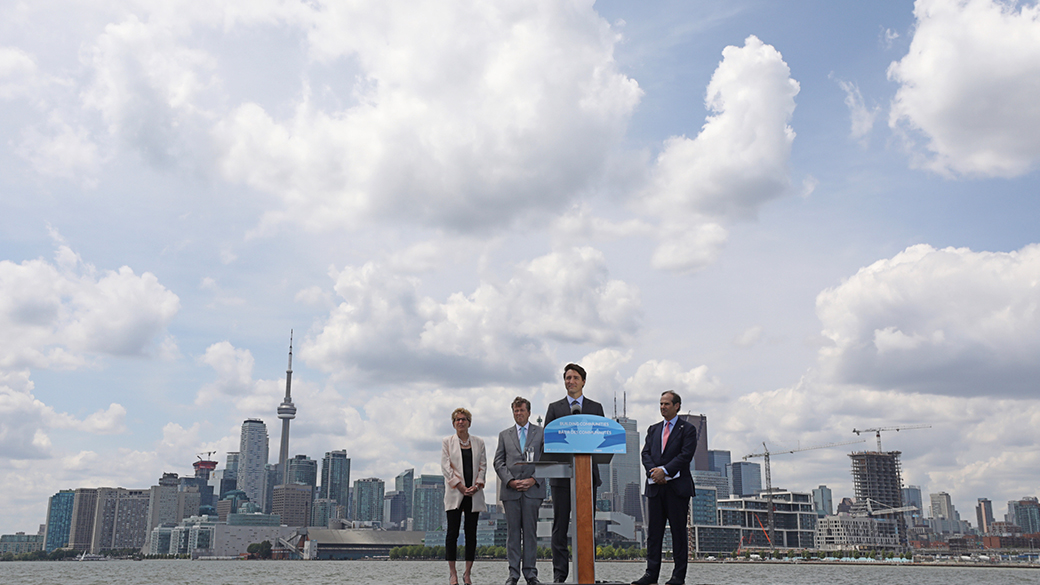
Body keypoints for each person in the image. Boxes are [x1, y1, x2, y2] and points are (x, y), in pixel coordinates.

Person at [543, 363, 604, 583]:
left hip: (587, 478)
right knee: (560, 527)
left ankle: (587, 573)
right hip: (561, 478)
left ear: (583, 381)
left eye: (575, 377)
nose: (571, 381)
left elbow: (602, 440)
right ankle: (560, 575)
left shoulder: (596, 408)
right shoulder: (555, 408)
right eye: (567, 378)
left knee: (588, 526)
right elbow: (547, 441)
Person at [632, 391, 697, 585]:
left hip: (677, 488)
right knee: (654, 534)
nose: (663, 407)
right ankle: (651, 574)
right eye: (661, 404)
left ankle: (678, 576)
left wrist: (665, 471)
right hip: (655, 488)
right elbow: (645, 454)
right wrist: (655, 473)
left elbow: (685, 456)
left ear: (677, 406)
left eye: (667, 404)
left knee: (678, 532)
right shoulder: (653, 429)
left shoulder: (688, 429)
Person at [494, 397, 545, 585]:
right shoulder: (504, 435)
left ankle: (531, 574)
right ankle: (513, 574)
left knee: (530, 533)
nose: (518, 414)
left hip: (533, 490)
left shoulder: (541, 433)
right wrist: (511, 481)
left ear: (529, 412)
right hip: (511, 492)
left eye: (521, 410)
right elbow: (498, 462)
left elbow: (547, 459)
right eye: (515, 411)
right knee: (513, 534)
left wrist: (533, 480)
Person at [442, 407, 487, 585]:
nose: (460, 422)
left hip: (474, 494)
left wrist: (477, 485)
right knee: (452, 534)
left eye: (464, 419)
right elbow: (446, 467)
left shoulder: (479, 442)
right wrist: (460, 486)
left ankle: (467, 573)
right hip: (455, 493)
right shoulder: (447, 442)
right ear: (453, 424)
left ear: (469, 422)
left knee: (471, 534)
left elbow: (483, 466)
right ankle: (452, 574)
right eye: (457, 420)